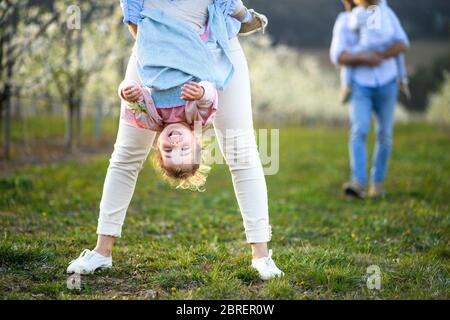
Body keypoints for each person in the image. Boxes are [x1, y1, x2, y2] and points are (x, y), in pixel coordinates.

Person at [67, 0, 284, 281]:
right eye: (181, 148)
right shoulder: (188, 114)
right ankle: (101, 251)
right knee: (126, 153)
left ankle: (261, 256)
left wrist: (131, 92)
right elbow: (132, 15)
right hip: (155, 49)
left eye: (170, 148)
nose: (174, 142)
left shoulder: (162, 116)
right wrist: (158, 49)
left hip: (215, 47)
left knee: (241, 151)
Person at [330, 0, 410, 199]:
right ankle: (357, 182)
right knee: (360, 130)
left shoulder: (387, 14)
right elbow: (338, 56)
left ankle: (377, 184)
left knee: (385, 135)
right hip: (359, 85)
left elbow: (402, 43)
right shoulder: (345, 21)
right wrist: (365, 58)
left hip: (388, 82)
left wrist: (381, 54)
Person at [340, 0, 410, 103]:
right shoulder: (385, 10)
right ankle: (402, 79)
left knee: (349, 56)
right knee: (399, 56)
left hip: (367, 46)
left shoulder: (359, 13)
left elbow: (352, 25)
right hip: (385, 43)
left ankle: (346, 84)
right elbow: (403, 43)